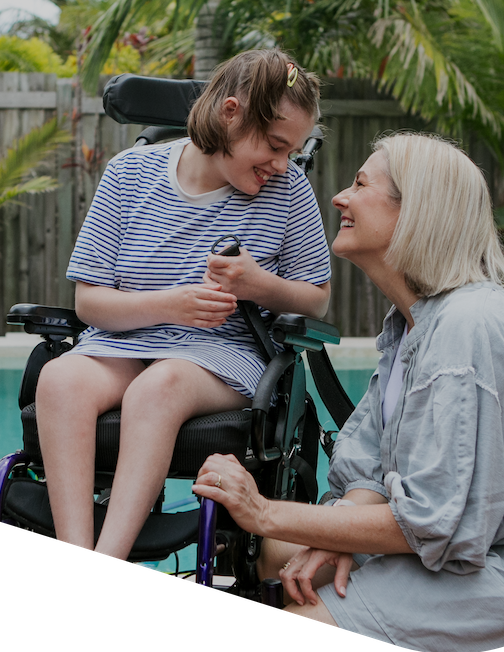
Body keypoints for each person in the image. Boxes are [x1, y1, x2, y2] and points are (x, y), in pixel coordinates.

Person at [192, 132, 504, 652]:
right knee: (274, 555)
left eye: (359, 184)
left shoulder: (469, 324)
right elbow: (367, 469)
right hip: (459, 548)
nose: (339, 197)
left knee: (296, 583)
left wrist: (263, 510)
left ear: (416, 209)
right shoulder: (410, 327)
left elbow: (438, 522)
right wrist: (332, 536)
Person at [36, 49, 333, 561]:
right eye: (275, 145)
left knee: (161, 385)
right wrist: (171, 306)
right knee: (59, 379)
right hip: (122, 343)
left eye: (293, 150)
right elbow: (89, 301)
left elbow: (317, 298)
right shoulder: (129, 173)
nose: (282, 163)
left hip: (220, 357)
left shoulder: (289, 189)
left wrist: (259, 284)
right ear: (231, 113)